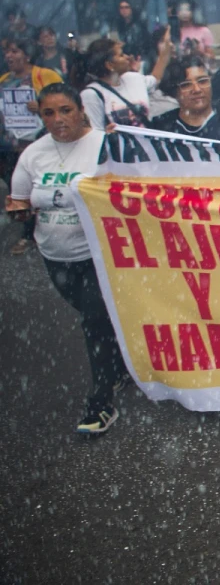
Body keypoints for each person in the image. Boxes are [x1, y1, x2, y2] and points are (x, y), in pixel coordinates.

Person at [6, 83, 130, 433]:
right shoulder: (33, 154)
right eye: (49, 113)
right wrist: (18, 211)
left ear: (81, 110)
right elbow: (20, 200)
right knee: (97, 319)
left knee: (93, 322)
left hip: (97, 255)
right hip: (54, 256)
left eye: (65, 110)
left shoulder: (104, 147)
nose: (58, 119)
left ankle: (101, 404)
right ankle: (121, 366)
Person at [1, 39, 64, 253]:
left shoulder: (45, 76)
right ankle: (28, 233)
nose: (9, 56)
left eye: (14, 50)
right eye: (6, 52)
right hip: (11, 147)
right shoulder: (3, 82)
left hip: (41, 144)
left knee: (45, 187)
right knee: (18, 189)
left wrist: (43, 107)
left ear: (27, 54)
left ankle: (53, 230)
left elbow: (66, 103)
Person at [76, 36, 170, 130]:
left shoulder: (133, 78)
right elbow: (95, 133)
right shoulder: (91, 95)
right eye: (121, 55)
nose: (127, 57)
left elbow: (155, 79)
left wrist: (164, 55)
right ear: (109, 65)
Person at [176, 0, 215, 65]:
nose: (184, 13)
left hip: (198, 68)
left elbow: (212, 58)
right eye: (181, 10)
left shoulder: (204, 31)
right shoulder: (173, 31)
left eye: (187, 10)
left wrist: (199, 52)